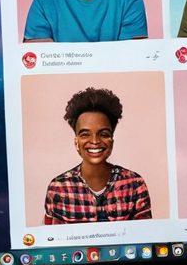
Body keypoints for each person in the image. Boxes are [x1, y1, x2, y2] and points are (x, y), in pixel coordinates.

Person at [43, 87, 152, 222]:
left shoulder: (134, 184)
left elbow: (146, 239)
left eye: (104, 134)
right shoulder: (58, 188)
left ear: (112, 139)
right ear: (76, 141)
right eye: (85, 134)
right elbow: (51, 240)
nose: (95, 141)